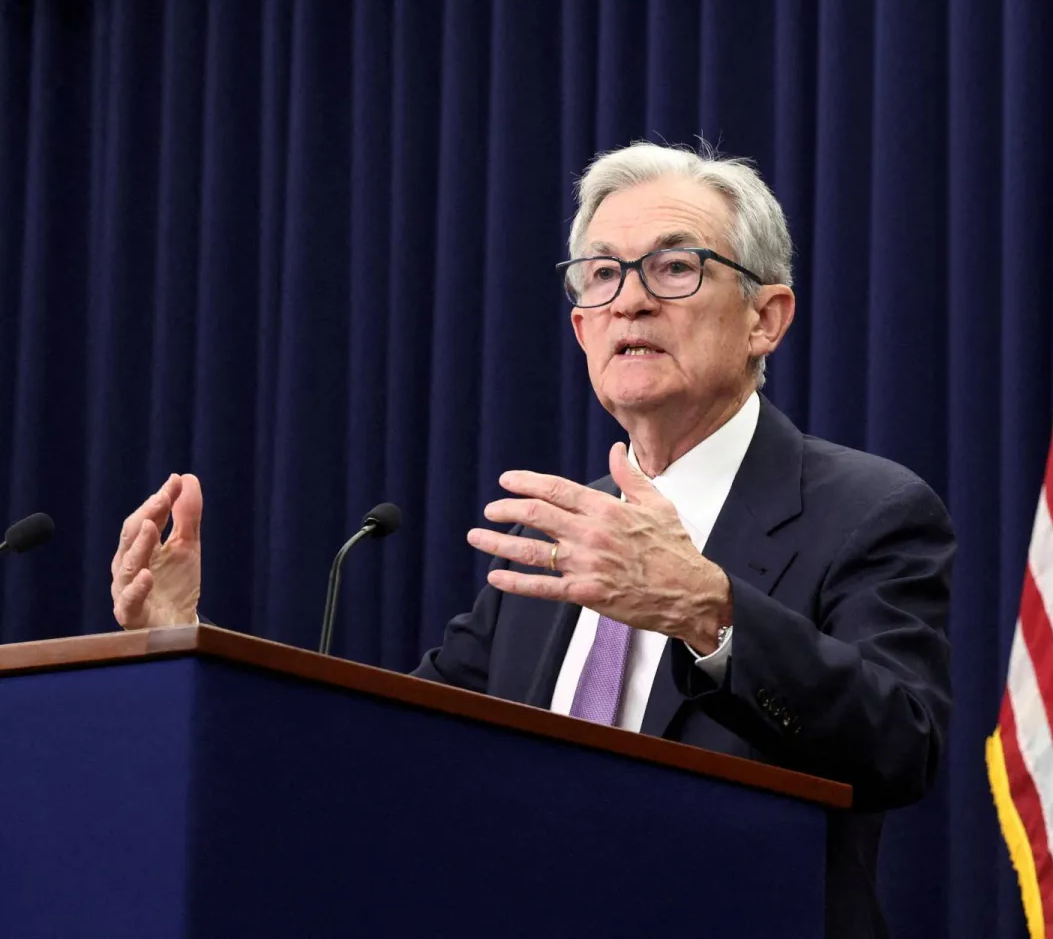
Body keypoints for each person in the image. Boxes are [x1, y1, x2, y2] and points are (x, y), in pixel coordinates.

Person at [108, 142, 954, 938]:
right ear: (583, 328)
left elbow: (901, 746)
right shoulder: (564, 536)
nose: (630, 297)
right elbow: (383, 751)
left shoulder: (867, 509)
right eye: (602, 275)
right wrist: (184, 638)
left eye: (674, 266)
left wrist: (710, 611)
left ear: (766, 318)